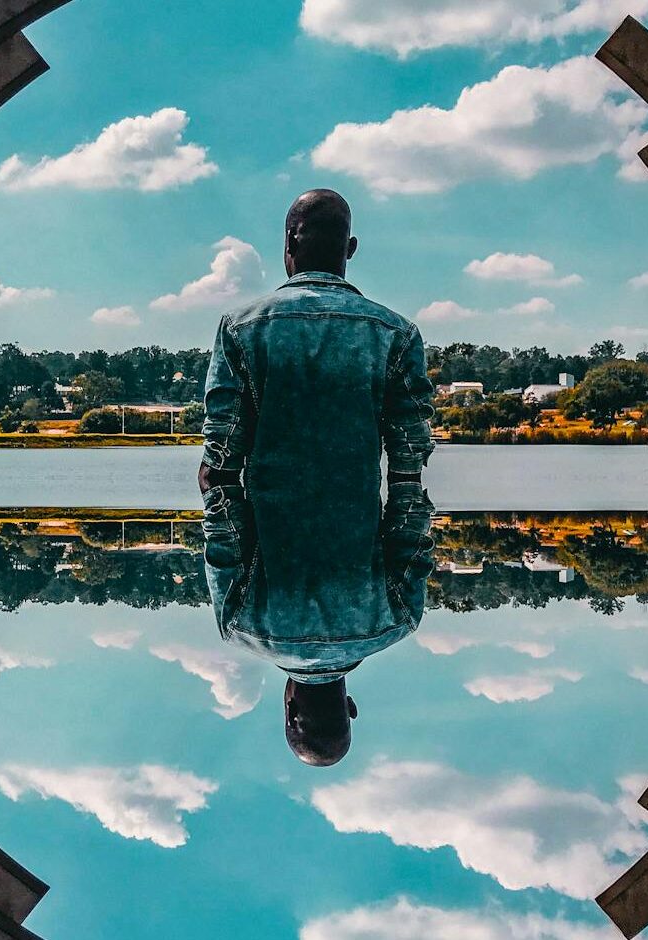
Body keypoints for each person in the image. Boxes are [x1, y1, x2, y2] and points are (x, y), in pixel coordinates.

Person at [197, 189, 437, 766]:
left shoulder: (241, 326)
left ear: (286, 247)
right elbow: (409, 455)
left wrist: (216, 481)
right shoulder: (395, 333)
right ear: (350, 249)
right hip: (359, 498)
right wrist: (405, 491)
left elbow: (221, 449)